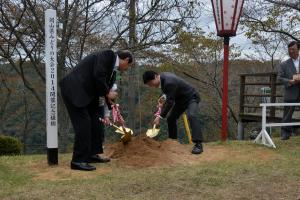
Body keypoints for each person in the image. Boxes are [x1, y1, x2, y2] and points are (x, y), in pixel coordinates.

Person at [59, 49, 133, 171]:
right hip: (75, 91)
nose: (126, 69)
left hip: (91, 96)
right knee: (84, 124)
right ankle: (78, 160)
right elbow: (98, 74)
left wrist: (111, 112)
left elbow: (106, 94)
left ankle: (92, 154)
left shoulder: (113, 72)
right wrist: (107, 93)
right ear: (126, 60)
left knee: (96, 122)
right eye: (128, 66)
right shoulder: (108, 55)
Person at [142, 71, 204, 154]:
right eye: (149, 85)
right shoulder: (162, 78)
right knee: (171, 118)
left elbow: (170, 102)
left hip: (191, 97)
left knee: (192, 115)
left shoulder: (169, 82)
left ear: (156, 76)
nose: (151, 86)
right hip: (180, 100)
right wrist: (161, 100)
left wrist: (159, 116)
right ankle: (172, 142)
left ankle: (198, 144)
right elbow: (167, 93)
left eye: (151, 83)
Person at [278, 41, 300, 140]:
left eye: (293, 49)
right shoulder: (284, 64)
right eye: (289, 50)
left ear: (298, 49)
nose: (291, 51)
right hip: (291, 91)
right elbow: (280, 78)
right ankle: (285, 133)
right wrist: (289, 81)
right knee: (287, 113)